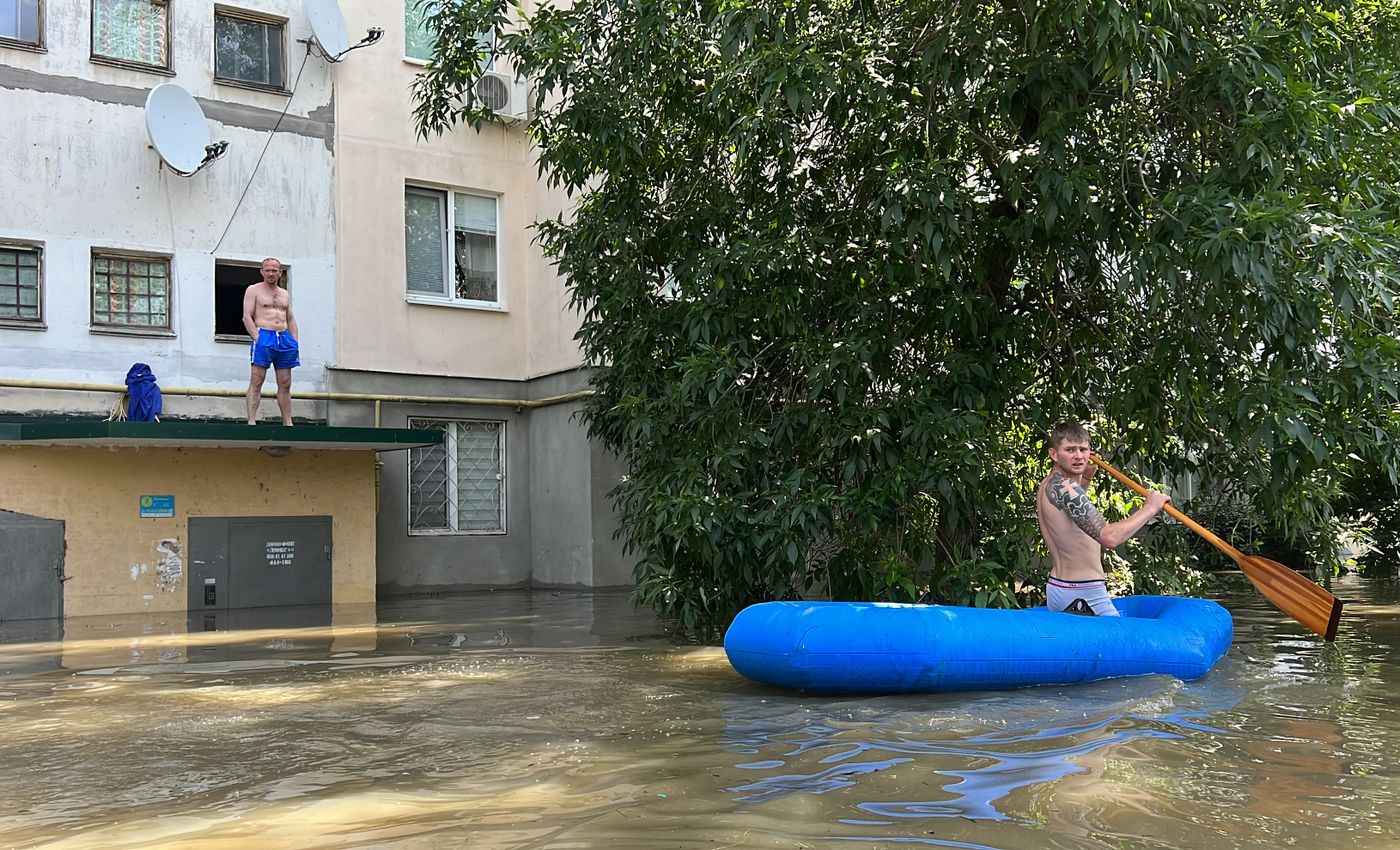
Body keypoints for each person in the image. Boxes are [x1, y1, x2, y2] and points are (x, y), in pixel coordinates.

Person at [1036, 420, 1170, 616]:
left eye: (1083, 450)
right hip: (1083, 594)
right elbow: (1109, 538)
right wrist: (1150, 508)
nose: (1079, 456)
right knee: (1126, 646)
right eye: (1070, 450)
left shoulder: (1050, 484)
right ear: (1053, 454)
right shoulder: (1067, 488)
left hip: (1061, 588)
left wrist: (1086, 478)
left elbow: (1072, 519)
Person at [243, 258, 299, 426]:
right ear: (262, 272)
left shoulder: (284, 294)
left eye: (274, 270)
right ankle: (251, 420)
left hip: (283, 338)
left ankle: (287, 422)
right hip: (264, 335)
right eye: (267, 270)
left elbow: (290, 317)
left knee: (285, 382)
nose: (270, 273)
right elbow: (247, 316)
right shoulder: (254, 290)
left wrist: (294, 340)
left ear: (280, 272)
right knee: (257, 379)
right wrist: (257, 337)